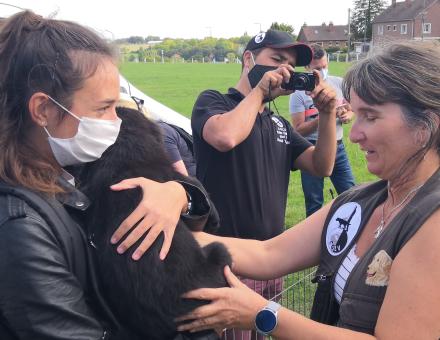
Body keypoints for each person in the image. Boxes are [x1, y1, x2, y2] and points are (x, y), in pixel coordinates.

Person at [176, 41, 440, 338]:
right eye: (357, 114)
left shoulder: (432, 220)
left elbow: (321, 165)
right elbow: (267, 253)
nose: (353, 135)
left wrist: (264, 314)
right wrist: (168, 225)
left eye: (371, 116)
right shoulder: (361, 202)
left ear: (425, 126)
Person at [0, 11, 214, 339]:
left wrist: (178, 194)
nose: (116, 122)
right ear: (43, 110)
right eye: (103, 109)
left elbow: (207, 214)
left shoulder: (65, 166)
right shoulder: (18, 227)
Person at [191, 30, 338, 338]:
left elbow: (322, 165)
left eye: (290, 64)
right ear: (249, 59)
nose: (285, 70)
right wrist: (258, 92)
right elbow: (224, 137)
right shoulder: (215, 102)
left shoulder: (278, 123)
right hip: (224, 260)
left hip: (270, 260)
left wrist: (327, 116)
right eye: (277, 60)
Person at [290, 43, 355, 216]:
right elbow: (298, 130)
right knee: (314, 201)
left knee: (351, 194)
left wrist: (348, 114)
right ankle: (314, 240)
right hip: (311, 148)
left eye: (325, 66)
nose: (322, 71)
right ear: (307, 67)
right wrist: (326, 115)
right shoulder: (298, 93)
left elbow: (351, 108)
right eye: (317, 68)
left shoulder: (339, 84)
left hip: (338, 148)